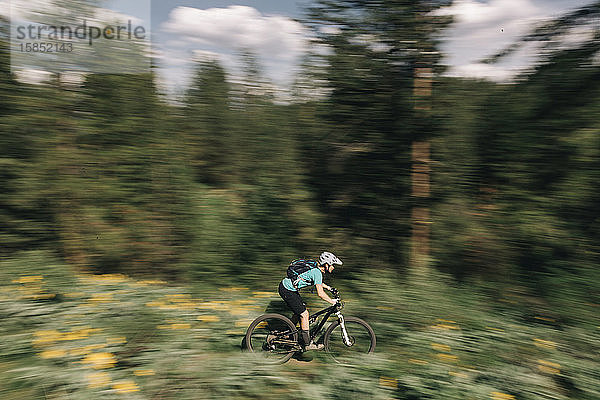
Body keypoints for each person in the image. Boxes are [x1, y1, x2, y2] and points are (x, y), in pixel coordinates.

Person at [278, 251, 342, 351]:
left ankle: (287, 334)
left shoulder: (317, 269)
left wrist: (329, 288)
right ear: (326, 264)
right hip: (287, 290)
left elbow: (318, 282)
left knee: (299, 312)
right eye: (332, 265)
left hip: (288, 288)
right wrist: (332, 301)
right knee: (304, 314)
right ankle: (307, 344)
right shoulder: (317, 272)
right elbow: (320, 294)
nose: (333, 267)